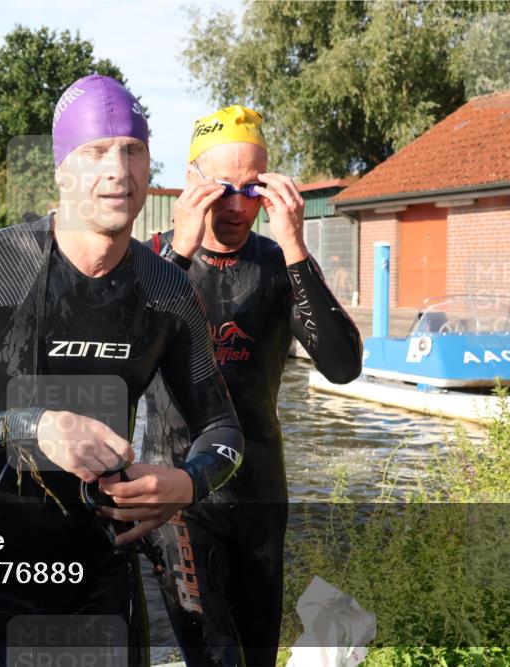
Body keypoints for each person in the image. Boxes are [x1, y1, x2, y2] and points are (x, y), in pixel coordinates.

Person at [0, 74, 244, 665]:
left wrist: (186, 483)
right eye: (96, 152)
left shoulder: (167, 290)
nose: (118, 169)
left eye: (133, 151)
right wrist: (31, 426)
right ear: (61, 172)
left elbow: (225, 433)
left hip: (103, 570)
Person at [145, 105, 363, 666]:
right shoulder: (152, 260)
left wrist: (296, 247)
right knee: (215, 656)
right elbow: (126, 368)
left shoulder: (278, 264)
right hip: (178, 496)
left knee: (256, 656)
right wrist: (181, 255)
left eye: (252, 188)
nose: (239, 206)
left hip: (260, 496)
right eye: (223, 188)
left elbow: (342, 367)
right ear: (191, 183)